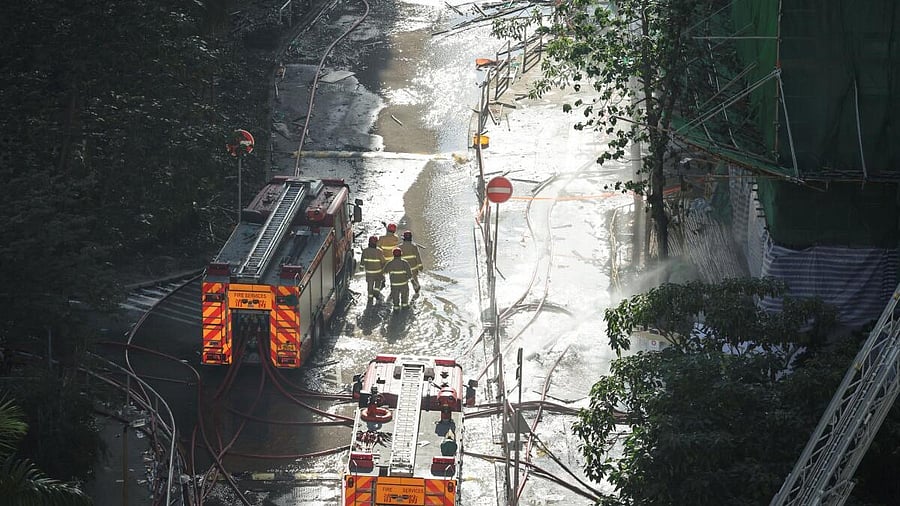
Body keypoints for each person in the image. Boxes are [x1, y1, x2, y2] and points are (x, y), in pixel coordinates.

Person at [360, 236, 386, 301]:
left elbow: (362, 262)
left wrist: (361, 267)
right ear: (376, 243)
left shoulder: (365, 251)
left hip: (369, 273)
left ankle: (370, 298)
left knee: (370, 285)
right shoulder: (379, 251)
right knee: (378, 283)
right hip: (378, 272)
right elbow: (383, 262)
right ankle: (376, 292)